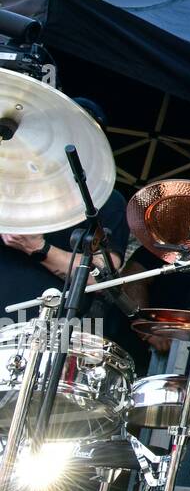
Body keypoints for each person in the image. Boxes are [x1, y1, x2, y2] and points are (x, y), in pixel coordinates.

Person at [0, 98, 137, 361]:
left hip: (40, 337)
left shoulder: (106, 200)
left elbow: (102, 279)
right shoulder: (11, 182)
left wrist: (39, 248)